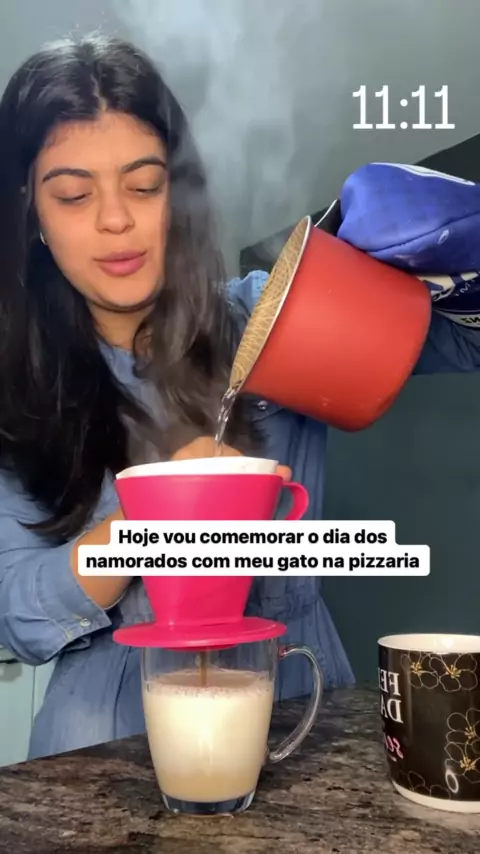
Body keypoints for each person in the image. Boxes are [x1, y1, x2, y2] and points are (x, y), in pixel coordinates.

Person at [0, 35, 479, 761]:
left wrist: (458, 261)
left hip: (303, 710)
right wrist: (149, 524)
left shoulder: (272, 318)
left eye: (144, 185)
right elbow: (14, 613)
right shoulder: (17, 388)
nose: (115, 220)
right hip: (106, 744)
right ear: (32, 211)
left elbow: (468, 342)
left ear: (181, 191)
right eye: (73, 195)